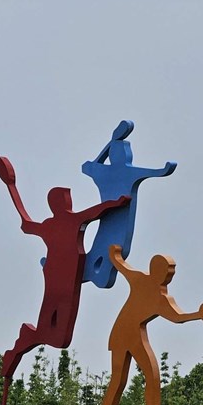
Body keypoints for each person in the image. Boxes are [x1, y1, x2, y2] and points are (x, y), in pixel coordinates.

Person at [0, 155, 129, 405]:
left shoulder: (59, 223)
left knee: (59, 338)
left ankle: (25, 340)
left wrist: (13, 189)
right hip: (60, 283)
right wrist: (117, 203)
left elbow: (26, 222)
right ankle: (25, 340)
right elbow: (98, 211)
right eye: (66, 199)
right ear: (59, 203)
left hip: (64, 281)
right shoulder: (69, 221)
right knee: (58, 338)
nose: (69, 202)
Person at [98, 244, 203, 405]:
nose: (169, 275)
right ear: (157, 270)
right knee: (119, 379)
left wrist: (199, 315)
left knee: (151, 375)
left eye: (171, 272)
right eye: (168, 271)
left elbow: (178, 317)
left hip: (133, 334)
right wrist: (114, 256)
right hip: (122, 333)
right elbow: (123, 267)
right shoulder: (143, 282)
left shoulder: (161, 299)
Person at [81, 120, 176, 288]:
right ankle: (84, 271)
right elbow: (87, 166)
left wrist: (111, 143)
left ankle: (88, 272)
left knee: (110, 249)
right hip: (112, 221)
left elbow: (89, 166)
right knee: (106, 248)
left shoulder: (104, 171)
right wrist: (112, 142)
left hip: (117, 222)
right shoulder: (122, 172)